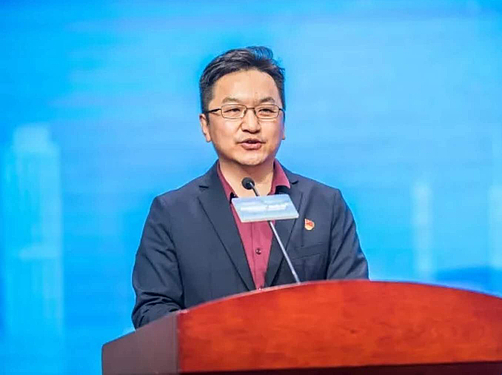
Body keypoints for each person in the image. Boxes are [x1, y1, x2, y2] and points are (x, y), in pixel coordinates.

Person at [131, 46, 368, 329]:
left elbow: (353, 303)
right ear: (205, 126)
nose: (252, 125)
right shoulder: (172, 213)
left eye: (266, 110)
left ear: (283, 124)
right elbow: (153, 310)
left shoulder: (325, 205)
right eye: (233, 110)